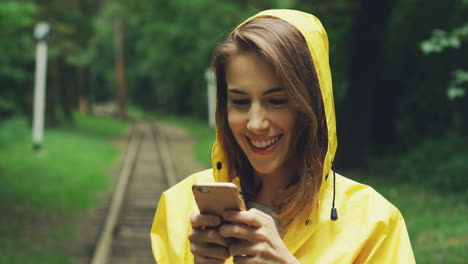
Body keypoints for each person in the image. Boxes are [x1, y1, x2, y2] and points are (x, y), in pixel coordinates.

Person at [150, 9, 416, 264]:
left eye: (276, 101)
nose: (255, 123)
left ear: (312, 104)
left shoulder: (375, 223)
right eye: (240, 102)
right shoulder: (178, 207)